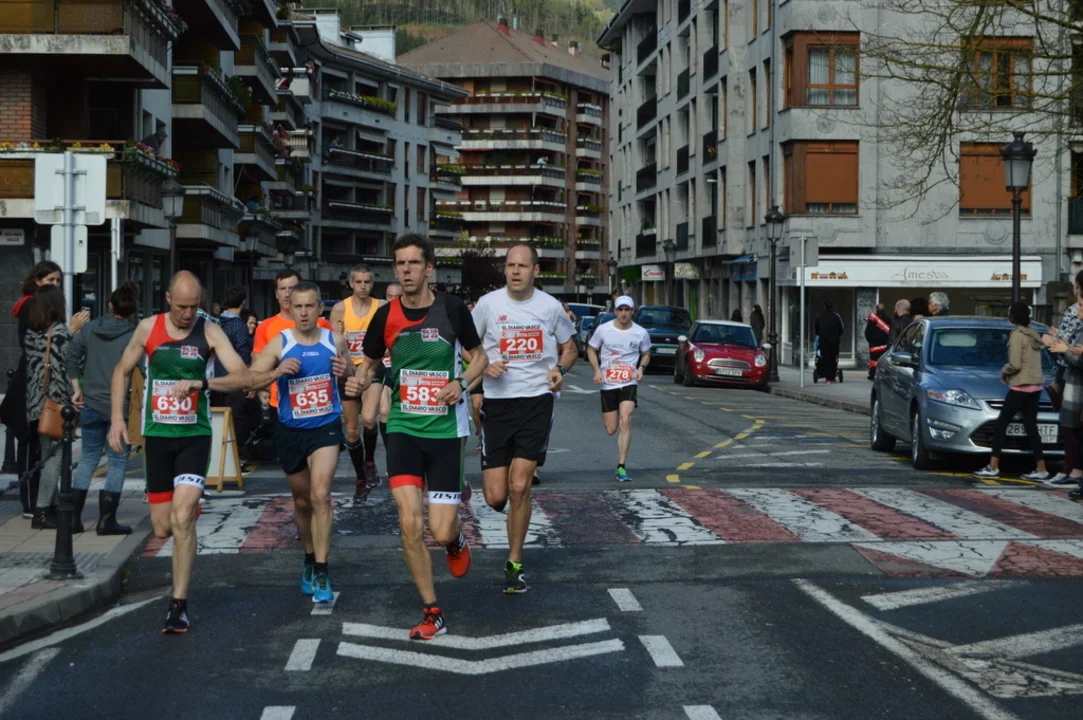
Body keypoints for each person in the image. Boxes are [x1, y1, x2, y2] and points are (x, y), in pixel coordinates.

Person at [345, 234, 487, 640]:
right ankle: (432, 611)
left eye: (413, 263)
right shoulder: (385, 316)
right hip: (404, 428)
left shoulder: (451, 309)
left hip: (446, 432)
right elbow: (370, 362)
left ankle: (455, 541)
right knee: (409, 523)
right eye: (400, 264)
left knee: (439, 530)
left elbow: (481, 357)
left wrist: (461, 382)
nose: (406, 270)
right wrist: (359, 380)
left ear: (429, 268)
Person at [107, 271, 253, 634]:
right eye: (182, 307)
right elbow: (122, 370)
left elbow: (242, 375)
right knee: (161, 528)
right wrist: (116, 420)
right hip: (157, 437)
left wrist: (203, 382)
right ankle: (184, 516)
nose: (188, 314)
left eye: (194, 306)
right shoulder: (148, 328)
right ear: (168, 299)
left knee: (183, 515)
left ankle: (179, 604)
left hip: (194, 436)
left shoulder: (209, 331)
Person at [472, 243, 576, 594]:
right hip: (497, 404)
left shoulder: (550, 307)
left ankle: (514, 563)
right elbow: (467, 347)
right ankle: (496, 474)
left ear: (536, 270)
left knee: (520, 486)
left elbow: (570, 348)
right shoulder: (488, 305)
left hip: (536, 401)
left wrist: (560, 369)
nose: (515, 271)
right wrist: (485, 364)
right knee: (495, 497)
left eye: (522, 266)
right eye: (510, 265)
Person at [250, 282, 349, 603]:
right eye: (299, 307)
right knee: (303, 502)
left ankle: (322, 569)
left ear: (320, 308)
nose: (304, 312)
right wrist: (277, 371)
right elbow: (253, 378)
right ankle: (309, 558)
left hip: (326, 427)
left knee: (321, 495)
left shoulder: (335, 341)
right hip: (291, 430)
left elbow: (352, 376)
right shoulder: (280, 342)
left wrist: (346, 371)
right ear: (290, 309)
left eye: (310, 306)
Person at [67, 282, 140, 535]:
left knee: (88, 458)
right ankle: (106, 520)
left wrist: (76, 387)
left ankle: (74, 519)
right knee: (118, 461)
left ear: (110, 305)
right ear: (132, 310)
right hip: (121, 408)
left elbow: (71, 355)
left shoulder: (90, 329)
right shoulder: (135, 335)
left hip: (90, 402)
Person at [3, 261, 64, 517]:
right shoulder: (32, 305)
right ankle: (32, 503)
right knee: (31, 446)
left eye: (58, 281)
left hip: (34, 384)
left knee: (38, 447)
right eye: (50, 280)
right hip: (30, 387)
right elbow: (36, 346)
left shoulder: (33, 304)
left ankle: (41, 500)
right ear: (37, 280)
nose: (56, 285)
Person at [973, 302, 1050, 481]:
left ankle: (993, 466)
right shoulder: (1033, 334)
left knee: (1001, 424)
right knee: (1031, 427)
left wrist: (1004, 372)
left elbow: (1015, 364)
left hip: (1020, 387)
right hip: (1035, 387)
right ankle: (1042, 469)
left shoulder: (1016, 335)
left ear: (1013, 317)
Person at [329, 264, 385, 498]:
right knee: (352, 431)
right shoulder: (340, 308)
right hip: (348, 370)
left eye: (367, 282)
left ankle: (370, 460)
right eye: (358, 282)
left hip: (373, 367)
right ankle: (360, 478)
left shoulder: (381, 306)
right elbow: (334, 343)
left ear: (372, 284)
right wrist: (336, 333)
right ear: (351, 283)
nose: (363, 287)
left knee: (370, 418)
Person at [24, 286, 76, 529]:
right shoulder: (60, 332)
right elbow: (61, 371)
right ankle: (42, 511)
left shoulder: (30, 333)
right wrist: (72, 399)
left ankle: (51, 506)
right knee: (54, 458)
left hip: (35, 403)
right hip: (54, 404)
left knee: (47, 455)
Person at [587, 295, 651, 482]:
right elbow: (591, 349)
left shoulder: (640, 333)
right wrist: (597, 370)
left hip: (628, 382)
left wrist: (641, 368)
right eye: (620, 309)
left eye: (627, 310)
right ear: (615, 311)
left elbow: (646, 353)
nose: (624, 313)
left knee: (626, 420)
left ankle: (621, 466)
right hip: (608, 382)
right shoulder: (603, 329)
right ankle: (620, 464)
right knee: (611, 428)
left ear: (632, 311)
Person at [253, 269, 333, 412]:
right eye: (282, 288)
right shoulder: (265, 327)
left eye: (291, 288)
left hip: (320, 406)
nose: (287, 293)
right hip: (280, 402)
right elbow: (257, 367)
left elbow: (339, 360)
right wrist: (262, 389)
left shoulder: (323, 325)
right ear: (276, 293)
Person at [1042, 283, 1083, 485]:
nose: (1078, 310)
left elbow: (1072, 352)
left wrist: (1055, 343)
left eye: (1081, 306)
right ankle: (1073, 471)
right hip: (1071, 377)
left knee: (1072, 428)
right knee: (1073, 428)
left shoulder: (1073, 314)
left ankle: (1073, 470)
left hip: (1073, 379)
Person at [215, 286, 259, 473]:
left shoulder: (216, 322)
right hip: (234, 379)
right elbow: (244, 354)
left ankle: (220, 459)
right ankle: (234, 457)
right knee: (242, 418)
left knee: (220, 420)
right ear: (243, 303)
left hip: (215, 379)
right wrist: (249, 381)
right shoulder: (238, 325)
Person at [814, 300, 844, 383]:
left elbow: (816, 331)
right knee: (833, 359)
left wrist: (821, 334)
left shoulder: (820, 317)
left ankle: (828, 378)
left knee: (826, 358)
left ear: (824, 306)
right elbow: (841, 329)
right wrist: (836, 335)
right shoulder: (836, 317)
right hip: (834, 342)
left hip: (824, 342)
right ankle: (832, 377)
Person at [864, 302, 891, 380]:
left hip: (874, 344)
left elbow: (867, 332)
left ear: (876, 309)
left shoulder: (872, 320)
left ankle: (872, 375)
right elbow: (890, 332)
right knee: (883, 360)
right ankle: (883, 375)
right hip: (884, 344)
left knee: (874, 360)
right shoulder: (888, 319)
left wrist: (870, 341)